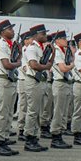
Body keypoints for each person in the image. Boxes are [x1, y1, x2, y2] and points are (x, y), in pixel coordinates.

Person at [0, 20, 22, 156]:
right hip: (4, 80)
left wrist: (18, 52)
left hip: (11, 80)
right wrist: (19, 62)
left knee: (9, 112)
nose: (13, 31)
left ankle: (4, 137)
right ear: (3, 32)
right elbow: (7, 65)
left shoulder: (10, 45)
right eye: (10, 29)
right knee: (3, 111)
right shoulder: (2, 45)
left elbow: (14, 60)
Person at [21, 24, 52, 153]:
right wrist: (47, 66)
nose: (45, 36)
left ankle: (34, 137)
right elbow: (34, 65)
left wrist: (52, 53)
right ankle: (29, 138)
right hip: (33, 81)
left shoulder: (40, 47)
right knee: (32, 112)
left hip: (39, 82)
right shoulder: (32, 48)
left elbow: (47, 62)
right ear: (36, 35)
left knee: (37, 112)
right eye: (43, 34)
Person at [48, 31, 74, 149]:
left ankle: (60, 135)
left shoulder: (64, 51)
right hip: (60, 84)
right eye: (63, 38)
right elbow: (63, 68)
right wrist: (72, 65)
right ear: (57, 40)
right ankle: (55, 136)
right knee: (58, 112)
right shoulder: (57, 51)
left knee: (63, 112)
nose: (66, 40)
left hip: (66, 83)